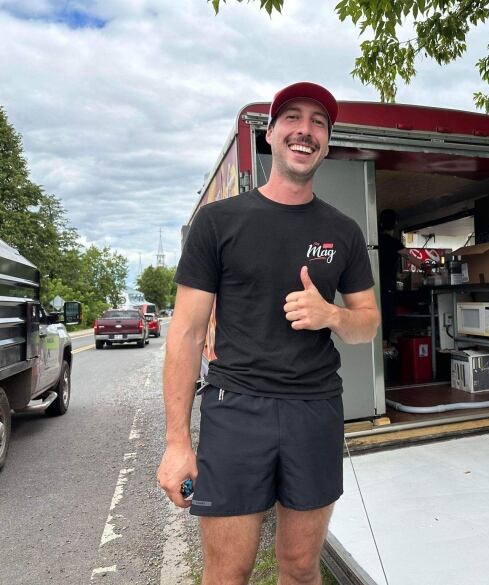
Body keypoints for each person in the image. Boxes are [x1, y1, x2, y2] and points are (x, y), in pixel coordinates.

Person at [157, 82, 379, 585]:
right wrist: (176, 442)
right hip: (237, 410)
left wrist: (333, 316)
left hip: (315, 410)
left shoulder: (343, 231)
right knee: (227, 572)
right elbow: (187, 334)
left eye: (318, 122)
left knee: (300, 568)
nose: (305, 130)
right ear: (272, 134)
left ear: (327, 140)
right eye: (293, 119)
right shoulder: (218, 223)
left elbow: (367, 323)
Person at [377, 208, 422, 342]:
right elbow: (410, 258)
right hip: (387, 286)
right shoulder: (394, 242)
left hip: (373, 283)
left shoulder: (376, 240)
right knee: (386, 315)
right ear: (396, 223)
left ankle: (379, 344)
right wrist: (428, 268)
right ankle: (384, 344)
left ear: (380, 223)